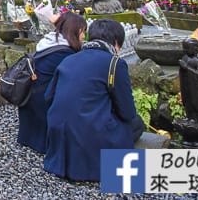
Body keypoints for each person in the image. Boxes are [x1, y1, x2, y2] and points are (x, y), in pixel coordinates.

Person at [43, 18, 144, 181]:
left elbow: (49, 97)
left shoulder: (69, 59)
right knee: (136, 124)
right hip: (88, 135)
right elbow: (126, 111)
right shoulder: (114, 63)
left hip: (58, 134)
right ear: (117, 42)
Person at [17, 12, 87, 153]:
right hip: (42, 98)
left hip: (28, 93)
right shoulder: (65, 52)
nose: (84, 36)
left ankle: (30, 139)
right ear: (74, 30)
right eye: (82, 31)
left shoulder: (49, 42)